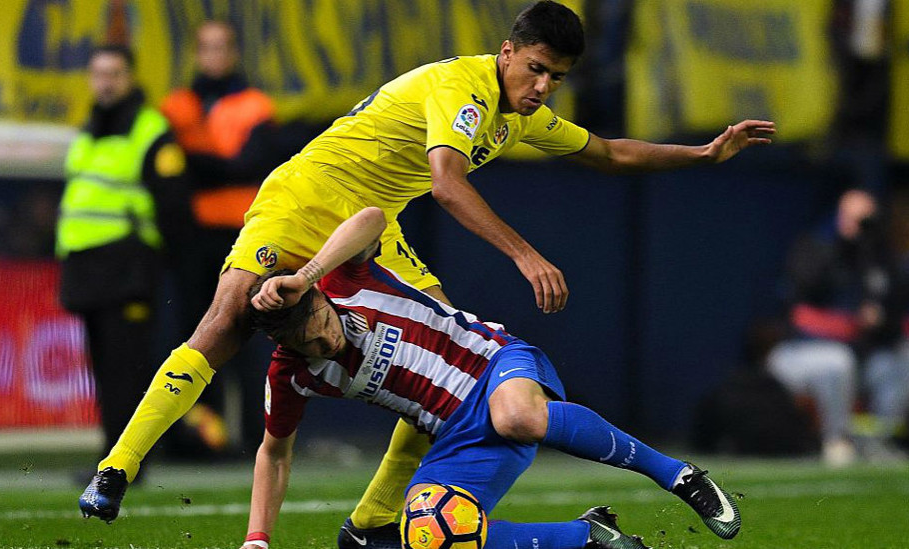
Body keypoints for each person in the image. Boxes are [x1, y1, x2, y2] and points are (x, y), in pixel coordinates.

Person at [78, 1, 774, 535]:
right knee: (226, 320)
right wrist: (526, 253)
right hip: (305, 197)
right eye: (534, 68)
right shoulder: (462, 88)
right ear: (507, 52)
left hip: (376, 220)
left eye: (555, 78)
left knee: (444, 347)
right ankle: (118, 467)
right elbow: (445, 180)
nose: (542, 87)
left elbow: (607, 152)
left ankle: (380, 512)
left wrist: (703, 155)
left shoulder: (518, 113)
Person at [236, 207, 741, 549]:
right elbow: (273, 453)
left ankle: (678, 475)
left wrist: (305, 274)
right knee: (428, 535)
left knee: (518, 415)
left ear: (320, 297)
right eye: (310, 345)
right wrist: (257, 540)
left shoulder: (342, 279)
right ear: (284, 346)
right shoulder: (292, 375)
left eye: (322, 326)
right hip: (456, 435)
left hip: (496, 363)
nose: (325, 343)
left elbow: (372, 218)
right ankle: (586, 537)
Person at [57, 45, 191, 473]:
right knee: (104, 369)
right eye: (98, 73)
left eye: (114, 73)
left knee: (126, 368)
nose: (105, 82)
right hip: (87, 265)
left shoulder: (150, 129)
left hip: (128, 264)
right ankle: (112, 458)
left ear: (131, 76)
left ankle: (128, 462)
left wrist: (163, 260)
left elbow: (173, 204)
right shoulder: (91, 129)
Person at [160, 19, 282, 455]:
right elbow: (169, 171)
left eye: (222, 47)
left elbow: (246, 166)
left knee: (248, 338)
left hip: (242, 234)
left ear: (233, 53)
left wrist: (194, 155)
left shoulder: (254, 106)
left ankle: (256, 438)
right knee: (197, 336)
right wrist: (211, 162)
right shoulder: (176, 106)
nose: (214, 56)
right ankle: (200, 440)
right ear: (197, 53)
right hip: (193, 238)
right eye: (206, 47)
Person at [768, 189, 909, 466]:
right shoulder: (816, 249)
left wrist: (881, 320)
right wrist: (854, 323)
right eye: (851, 217)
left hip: (862, 357)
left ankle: (876, 440)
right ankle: (837, 440)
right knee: (838, 361)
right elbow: (800, 316)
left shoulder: (879, 260)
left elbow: (896, 319)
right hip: (799, 354)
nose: (858, 226)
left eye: (865, 219)